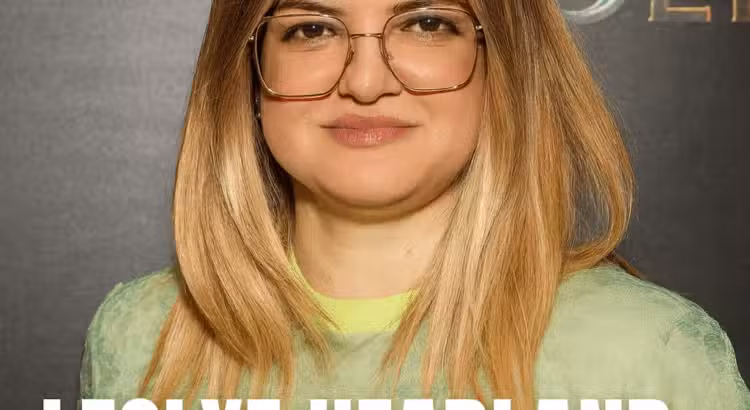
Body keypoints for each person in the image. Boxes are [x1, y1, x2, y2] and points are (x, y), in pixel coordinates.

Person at [78, 0, 750, 409]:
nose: (366, 80)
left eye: (427, 23)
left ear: (505, 67)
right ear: (247, 74)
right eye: (312, 28)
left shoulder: (646, 354)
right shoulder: (143, 336)